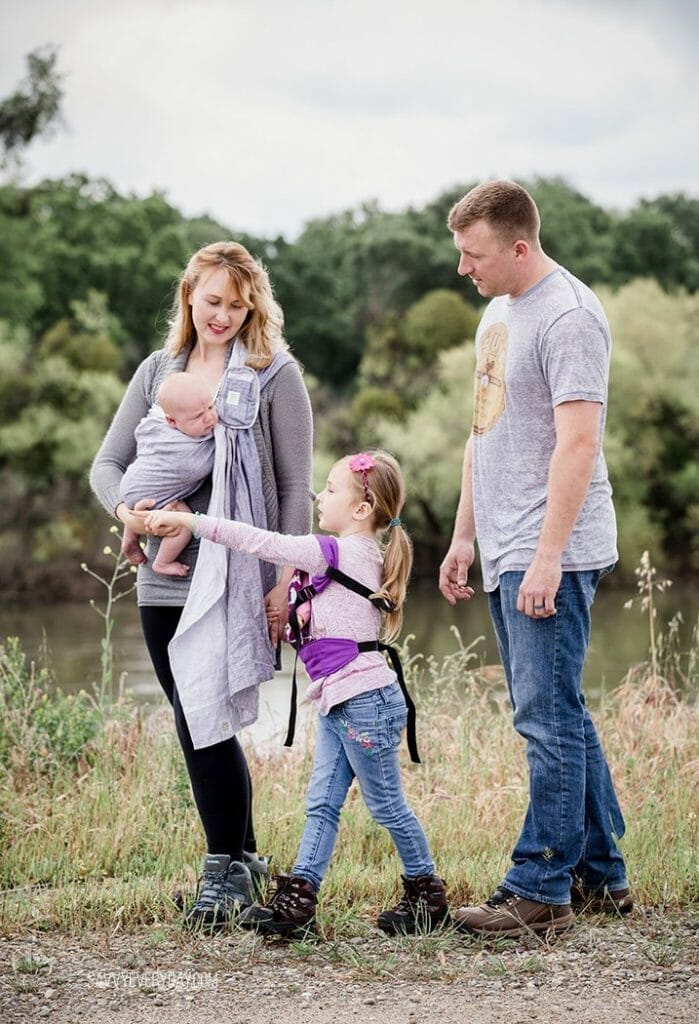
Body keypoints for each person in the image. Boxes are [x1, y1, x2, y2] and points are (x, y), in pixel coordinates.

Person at [90, 241, 313, 930]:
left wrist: (283, 582)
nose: (222, 315)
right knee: (195, 721)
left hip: (240, 574)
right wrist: (131, 513)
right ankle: (239, 862)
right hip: (166, 577)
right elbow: (108, 463)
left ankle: (224, 867)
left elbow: (293, 486)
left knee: (208, 719)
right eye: (211, 300)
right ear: (189, 295)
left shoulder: (274, 374)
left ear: (253, 306)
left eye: (237, 303)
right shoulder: (159, 372)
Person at [144, 450, 449, 938]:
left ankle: (426, 896)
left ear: (362, 510)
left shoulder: (339, 551)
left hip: (365, 701)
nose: (319, 497)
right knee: (321, 804)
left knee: (387, 805)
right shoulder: (354, 553)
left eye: (330, 489)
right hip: (338, 700)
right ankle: (298, 903)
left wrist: (194, 521)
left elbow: (262, 542)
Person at [439, 181, 631, 939]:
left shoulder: (570, 317)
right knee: (561, 714)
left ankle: (539, 888)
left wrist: (547, 558)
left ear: (519, 247)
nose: (463, 269)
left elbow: (578, 444)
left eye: (473, 254)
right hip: (503, 540)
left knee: (544, 720)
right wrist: (463, 534)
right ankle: (601, 878)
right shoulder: (497, 313)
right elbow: (480, 431)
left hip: (549, 547)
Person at [120, 373, 219, 577]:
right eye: (198, 416)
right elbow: (202, 464)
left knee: (138, 507)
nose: (209, 417)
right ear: (172, 421)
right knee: (183, 522)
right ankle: (163, 562)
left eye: (211, 407)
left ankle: (130, 538)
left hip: (132, 483)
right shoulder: (187, 451)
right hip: (149, 491)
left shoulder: (157, 422)